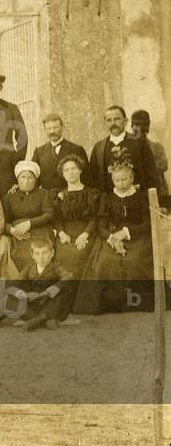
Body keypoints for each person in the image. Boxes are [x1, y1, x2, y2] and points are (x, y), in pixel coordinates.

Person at [80, 160, 153, 313]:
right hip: (112, 236)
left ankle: (135, 303)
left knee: (134, 261)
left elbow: (148, 224)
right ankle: (111, 305)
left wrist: (126, 232)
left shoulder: (141, 197)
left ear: (132, 178)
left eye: (124, 179)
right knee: (106, 261)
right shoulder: (108, 198)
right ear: (113, 180)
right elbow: (101, 227)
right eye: (117, 180)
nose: (120, 183)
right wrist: (113, 239)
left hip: (138, 236)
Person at [89, 105, 160, 193]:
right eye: (109, 120)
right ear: (105, 123)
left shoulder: (140, 143)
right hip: (109, 202)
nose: (113, 123)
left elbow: (151, 176)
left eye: (117, 119)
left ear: (125, 120)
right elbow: (93, 179)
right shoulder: (98, 148)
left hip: (138, 200)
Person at [52, 154, 102, 279]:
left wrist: (85, 235)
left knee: (81, 253)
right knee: (61, 254)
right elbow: (57, 218)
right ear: (62, 174)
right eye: (66, 170)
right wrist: (61, 233)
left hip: (86, 232)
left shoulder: (91, 193)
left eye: (74, 168)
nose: (71, 173)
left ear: (80, 170)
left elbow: (94, 218)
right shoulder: (59, 195)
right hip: (66, 232)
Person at [9, 238, 74, 331]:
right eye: (37, 253)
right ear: (32, 255)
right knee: (10, 297)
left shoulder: (56, 268)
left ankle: (40, 319)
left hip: (50, 305)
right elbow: (12, 285)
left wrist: (49, 291)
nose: (41, 257)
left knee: (66, 289)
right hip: (33, 305)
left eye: (44, 253)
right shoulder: (29, 268)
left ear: (52, 253)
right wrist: (25, 294)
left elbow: (69, 276)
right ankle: (44, 320)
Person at [3, 162, 55, 272]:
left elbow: (49, 214)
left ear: (36, 179)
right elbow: (3, 221)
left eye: (30, 177)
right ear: (17, 179)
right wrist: (11, 230)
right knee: (23, 255)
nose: (26, 181)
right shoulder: (9, 197)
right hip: (19, 235)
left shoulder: (43, 193)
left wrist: (29, 223)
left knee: (42, 254)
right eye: (23, 177)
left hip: (41, 230)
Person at [31, 114, 89, 191]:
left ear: (62, 128)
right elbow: (34, 177)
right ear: (44, 130)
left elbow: (87, 177)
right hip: (48, 198)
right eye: (49, 128)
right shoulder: (39, 152)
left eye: (55, 128)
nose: (52, 131)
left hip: (71, 197)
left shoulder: (76, 149)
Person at [131, 109, 169, 194]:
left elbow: (163, 165)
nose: (134, 127)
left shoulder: (156, 146)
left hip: (156, 189)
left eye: (137, 124)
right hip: (137, 191)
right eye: (133, 124)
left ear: (145, 126)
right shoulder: (129, 147)